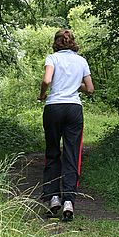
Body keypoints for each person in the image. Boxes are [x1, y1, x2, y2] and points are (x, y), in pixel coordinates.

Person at [38, 29, 94, 221]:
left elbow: (47, 79)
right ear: (72, 43)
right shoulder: (81, 61)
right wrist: (74, 84)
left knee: (52, 151)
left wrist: (42, 94)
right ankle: (69, 200)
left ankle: (54, 198)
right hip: (73, 109)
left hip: (53, 108)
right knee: (72, 153)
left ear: (56, 42)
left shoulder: (52, 58)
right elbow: (90, 89)